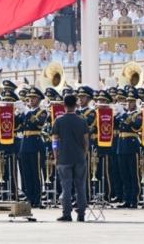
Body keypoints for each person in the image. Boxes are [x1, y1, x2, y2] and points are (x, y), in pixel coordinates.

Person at [52, 93, 89, 222]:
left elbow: (55, 141)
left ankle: (67, 213)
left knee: (66, 187)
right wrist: (84, 154)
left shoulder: (58, 120)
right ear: (76, 105)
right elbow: (86, 141)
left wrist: (55, 155)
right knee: (80, 187)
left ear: (64, 105)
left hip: (64, 158)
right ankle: (81, 214)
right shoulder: (82, 120)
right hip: (79, 157)